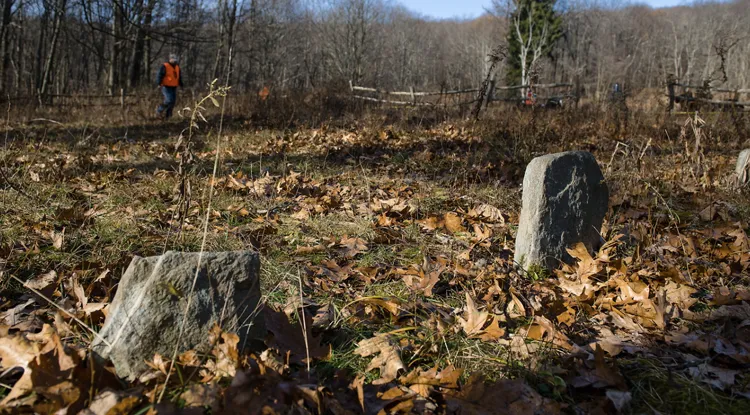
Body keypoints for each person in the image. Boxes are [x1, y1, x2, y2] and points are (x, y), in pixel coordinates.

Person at [156, 54, 183, 119]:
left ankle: (168, 116)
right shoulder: (165, 66)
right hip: (166, 86)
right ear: (170, 59)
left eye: (175, 59)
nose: (174, 60)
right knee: (169, 100)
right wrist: (159, 83)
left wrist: (181, 85)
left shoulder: (177, 67)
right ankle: (159, 110)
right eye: (173, 59)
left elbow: (179, 77)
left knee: (172, 102)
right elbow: (159, 75)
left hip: (174, 87)